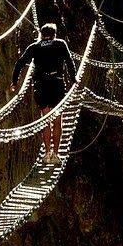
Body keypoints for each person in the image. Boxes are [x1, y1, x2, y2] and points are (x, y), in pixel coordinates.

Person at [11, 23, 76, 166]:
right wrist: (74, 79)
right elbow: (70, 62)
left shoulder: (34, 47)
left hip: (41, 85)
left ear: (41, 34)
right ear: (55, 34)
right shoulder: (60, 44)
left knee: (45, 119)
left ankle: (47, 153)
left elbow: (19, 64)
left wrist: (14, 82)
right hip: (57, 85)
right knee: (57, 120)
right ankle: (56, 154)